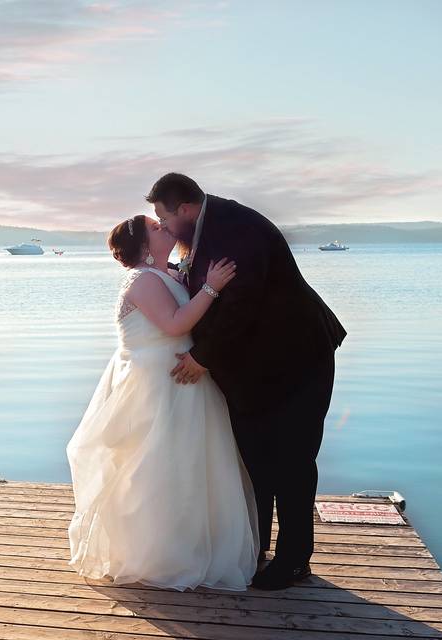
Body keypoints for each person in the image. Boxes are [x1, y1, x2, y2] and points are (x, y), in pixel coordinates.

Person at [146, 173, 346, 590]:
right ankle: (255, 548)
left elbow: (241, 302)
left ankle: (294, 561)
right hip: (254, 371)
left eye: (163, 217)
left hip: (299, 361)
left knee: (291, 463)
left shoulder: (237, 229)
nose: (162, 226)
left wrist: (201, 358)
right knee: (256, 462)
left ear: (184, 208)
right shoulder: (203, 231)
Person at [66, 214, 258, 591]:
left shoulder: (168, 273)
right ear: (141, 246)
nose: (163, 228)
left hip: (181, 378)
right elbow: (174, 324)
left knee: (188, 464)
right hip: (156, 383)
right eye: (154, 228)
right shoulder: (142, 280)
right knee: (156, 464)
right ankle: (157, 554)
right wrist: (212, 288)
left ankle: (193, 544)